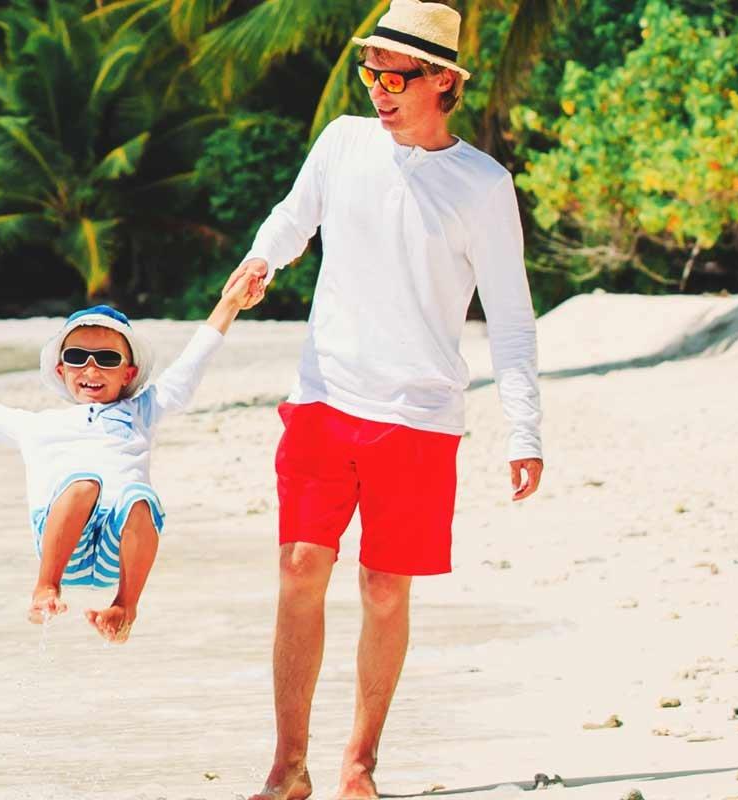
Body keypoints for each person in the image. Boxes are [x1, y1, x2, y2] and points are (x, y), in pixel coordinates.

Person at [221, 3, 549, 797]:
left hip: (419, 415)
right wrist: (263, 259)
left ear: (443, 81)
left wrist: (524, 428)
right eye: (372, 72)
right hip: (324, 396)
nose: (379, 89)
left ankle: (360, 763)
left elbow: (509, 314)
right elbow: (293, 218)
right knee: (301, 566)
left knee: (383, 587)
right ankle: (287, 764)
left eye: (396, 76)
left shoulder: (482, 185)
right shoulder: (343, 143)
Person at [0, 280, 260, 643]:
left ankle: (125, 607)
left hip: (118, 549)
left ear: (128, 373)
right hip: (62, 546)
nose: (91, 370)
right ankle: (46, 587)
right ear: (61, 369)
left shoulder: (141, 411)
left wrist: (229, 305)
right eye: (78, 358)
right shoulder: (39, 425)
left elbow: (191, 364)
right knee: (84, 482)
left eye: (106, 360)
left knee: (139, 497)